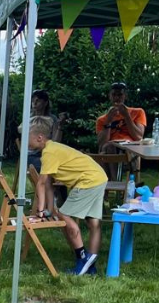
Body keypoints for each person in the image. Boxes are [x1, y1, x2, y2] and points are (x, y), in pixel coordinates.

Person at [27, 116, 107, 275]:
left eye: (26, 138)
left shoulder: (49, 153)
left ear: (39, 137)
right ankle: (90, 266)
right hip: (98, 177)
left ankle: (82, 259)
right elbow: (48, 184)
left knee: (64, 215)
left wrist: (40, 211)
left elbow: (41, 183)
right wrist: (49, 209)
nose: (25, 142)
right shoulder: (53, 148)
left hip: (88, 181)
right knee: (93, 222)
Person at [96, 82, 146, 178]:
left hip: (130, 147)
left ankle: (114, 182)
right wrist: (108, 122)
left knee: (109, 149)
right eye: (114, 95)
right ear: (110, 96)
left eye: (120, 95)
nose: (117, 98)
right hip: (110, 148)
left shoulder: (138, 112)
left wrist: (127, 116)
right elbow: (101, 143)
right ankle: (114, 181)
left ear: (125, 96)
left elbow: (138, 137)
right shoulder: (102, 119)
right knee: (108, 147)